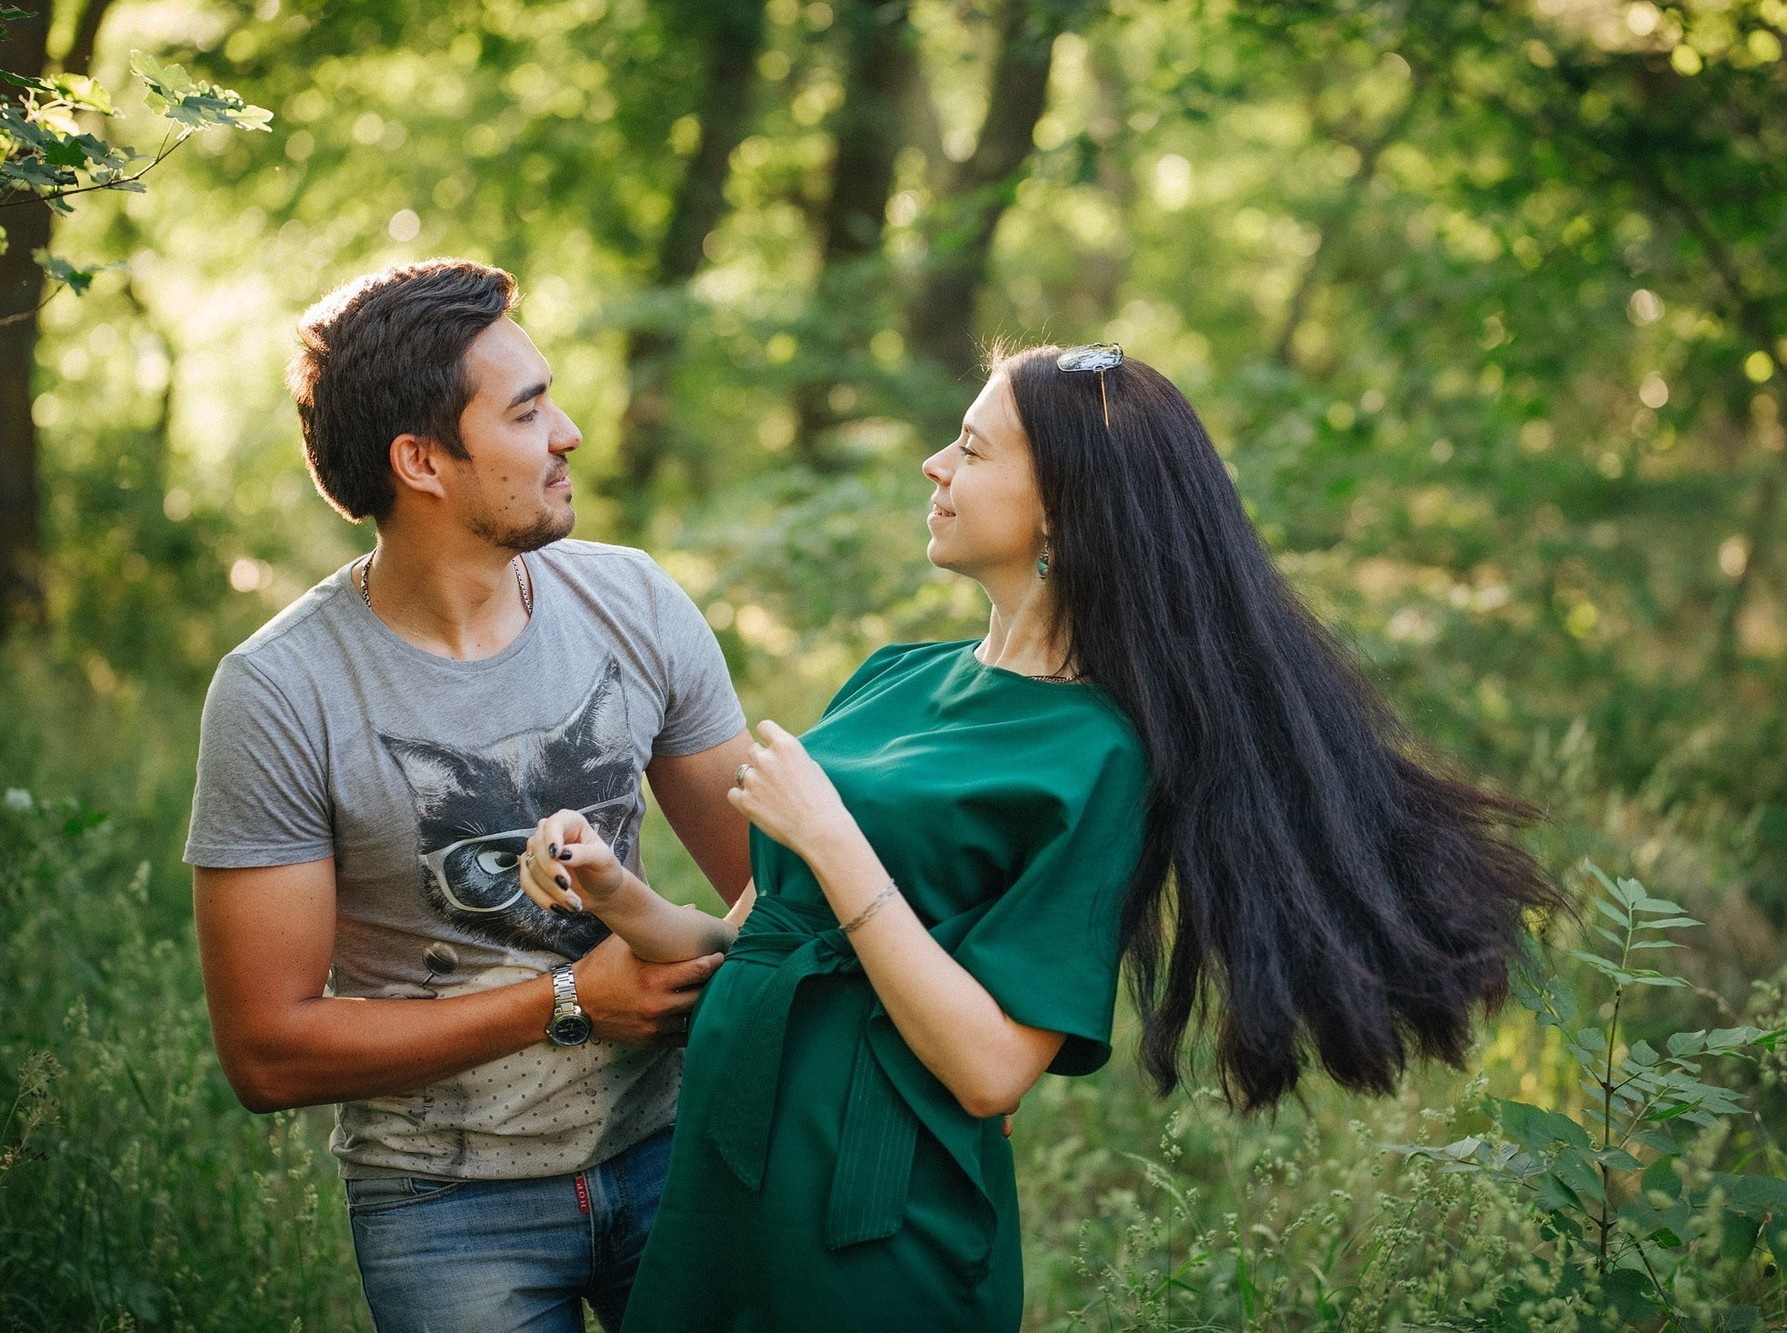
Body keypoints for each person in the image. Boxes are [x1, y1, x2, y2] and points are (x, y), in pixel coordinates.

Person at [517, 342, 1559, 1330]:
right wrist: (613, 892)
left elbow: (988, 1069)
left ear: (1061, 505)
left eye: (970, 448)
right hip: (723, 1174)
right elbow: (748, 946)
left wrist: (832, 840)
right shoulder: (892, 676)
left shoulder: (1093, 753)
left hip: (866, 1209)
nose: (934, 462)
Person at [185, 258, 756, 1333]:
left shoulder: (633, 601)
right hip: (445, 1210)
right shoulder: (281, 691)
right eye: (529, 409)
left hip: (678, 1157)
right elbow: (266, 1049)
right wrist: (567, 1004)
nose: (569, 431)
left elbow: (776, 882)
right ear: (421, 462)